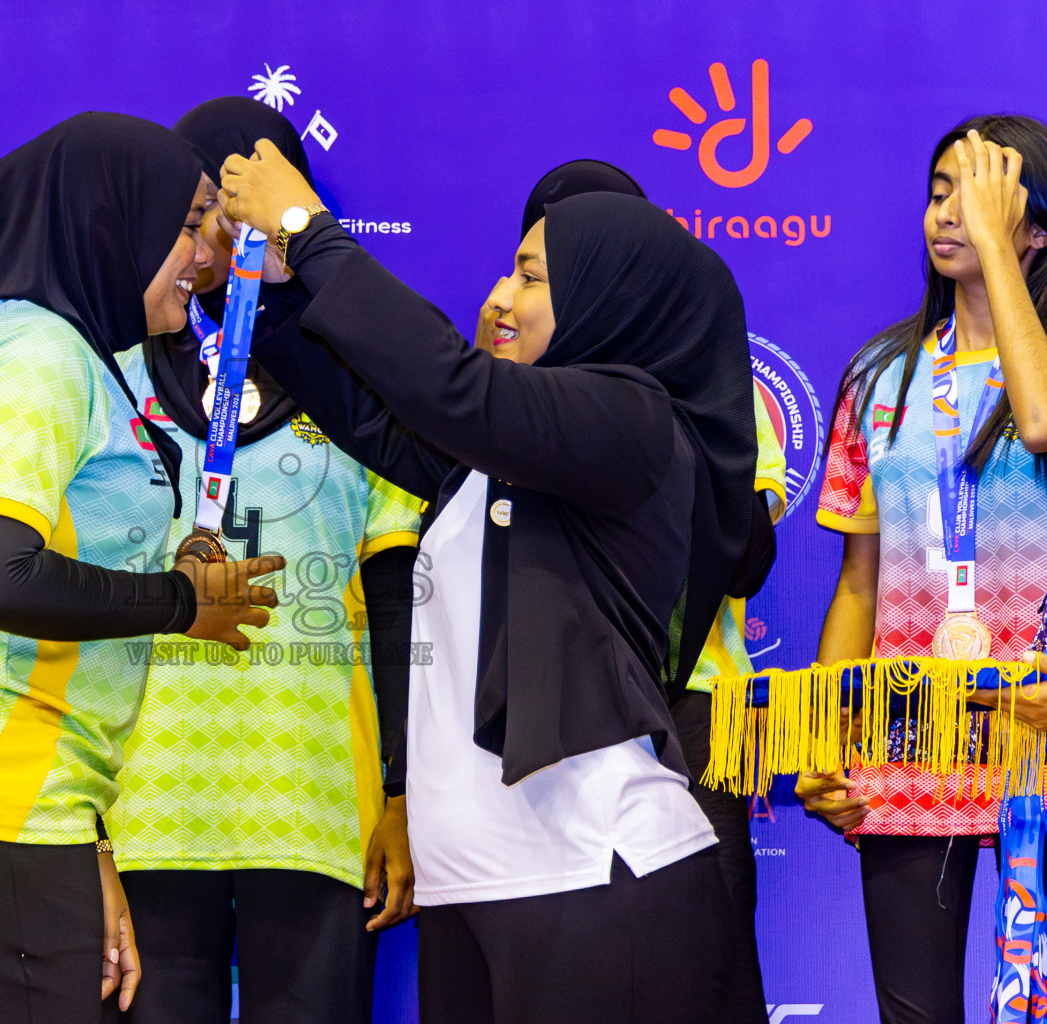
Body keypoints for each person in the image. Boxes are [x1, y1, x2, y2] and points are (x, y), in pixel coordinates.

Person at [218, 145, 761, 1022]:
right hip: (470, 892)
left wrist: (308, 229)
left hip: (596, 882)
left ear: (609, 299)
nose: (501, 296)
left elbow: (448, 385)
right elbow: (374, 409)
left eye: (533, 276)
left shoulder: (633, 423)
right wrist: (271, 282)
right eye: (508, 269)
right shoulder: (495, 462)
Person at [0, 112, 284, 1024]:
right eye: (190, 222)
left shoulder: (73, 356)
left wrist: (86, 840)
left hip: (5, 803)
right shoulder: (34, 354)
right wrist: (177, 602)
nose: (205, 253)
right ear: (112, 220)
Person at [103, 96, 421, 1024]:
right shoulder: (113, 359)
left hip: (313, 797)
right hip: (140, 799)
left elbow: (398, 598)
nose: (234, 222)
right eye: (212, 200)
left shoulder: (362, 368)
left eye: (263, 195)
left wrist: (401, 791)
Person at [478, 156, 786, 1024]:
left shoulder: (708, 385)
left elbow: (747, 559)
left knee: (713, 948)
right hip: (549, 698)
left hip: (685, 700)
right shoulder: (490, 390)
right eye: (534, 260)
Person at [796, 117, 1047, 1024]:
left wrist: (996, 249)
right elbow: (859, 582)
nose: (948, 212)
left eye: (977, 194)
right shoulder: (879, 374)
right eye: (940, 189)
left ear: (1035, 226)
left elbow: (1042, 422)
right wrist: (827, 740)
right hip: (912, 742)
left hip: (1037, 742)